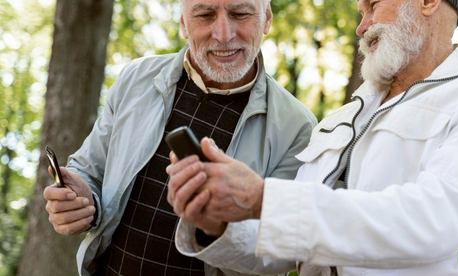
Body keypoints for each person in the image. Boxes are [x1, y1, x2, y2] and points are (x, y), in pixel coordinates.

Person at [167, 0, 458, 275]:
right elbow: (287, 247)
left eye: (372, 6)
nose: (362, 27)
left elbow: (440, 219)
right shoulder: (341, 119)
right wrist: (218, 220)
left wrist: (261, 197)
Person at [42, 0, 316, 275]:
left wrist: (218, 226)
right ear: (184, 24)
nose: (223, 34)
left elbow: (279, 251)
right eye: (205, 15)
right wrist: (82, 199)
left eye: (240, 13)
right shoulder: (135, 80)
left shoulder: (298, 128)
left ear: (266, 19)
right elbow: (90, 170)